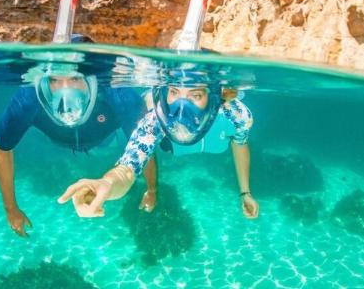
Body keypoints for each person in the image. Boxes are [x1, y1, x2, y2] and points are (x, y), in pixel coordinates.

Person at [0, 35, 158, 237]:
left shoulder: (118, 92)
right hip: (58, 139)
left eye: (76, 78)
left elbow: (142, 144)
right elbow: (2, 148)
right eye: (54, 80)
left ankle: (146, 108)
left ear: (93, 76)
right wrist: (11, 209)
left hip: (104, 133)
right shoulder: (29, 97)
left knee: (142, 123)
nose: (65, 90)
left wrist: (152, 190)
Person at [57, 67, 259, 219]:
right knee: (144, 114)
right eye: (173, 92)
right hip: (169, 143)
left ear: (214, 96)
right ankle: (146, 101)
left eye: (195, 95)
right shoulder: (157, 120)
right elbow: (130, 165)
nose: (181, 108)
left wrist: (245, 192)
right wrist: (107, 184)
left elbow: (240, 144)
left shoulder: (237, 115)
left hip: (214, 131)